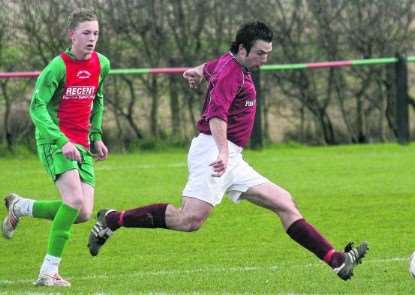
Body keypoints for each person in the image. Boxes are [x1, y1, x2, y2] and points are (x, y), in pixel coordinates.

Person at [87, 21, 368, 281]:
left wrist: (197, 70)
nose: (264, 59)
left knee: (284, 202)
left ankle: (337, 260)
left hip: (231, 155)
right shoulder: (232, 73)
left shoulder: (230, 61)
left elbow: (211, 66)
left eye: (268, 53)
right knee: (189, 220)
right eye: (260, 53)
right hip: (213, 151)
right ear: (243, 49)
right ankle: (112, 219)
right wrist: (222, 153)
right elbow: (216, 115)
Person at [2, 9, 110, 287]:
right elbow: (36, 108)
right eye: (86, 32)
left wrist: (96, 136)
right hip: (54, 141)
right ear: (71, 34)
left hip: (83, 143)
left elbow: (97, 99)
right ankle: (48, 272)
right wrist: (62, 141)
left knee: (83, 212)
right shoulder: (57, 68)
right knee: (73, 201)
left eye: (95, 33)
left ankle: (20, 206)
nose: (92, 38)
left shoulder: (102, 64)